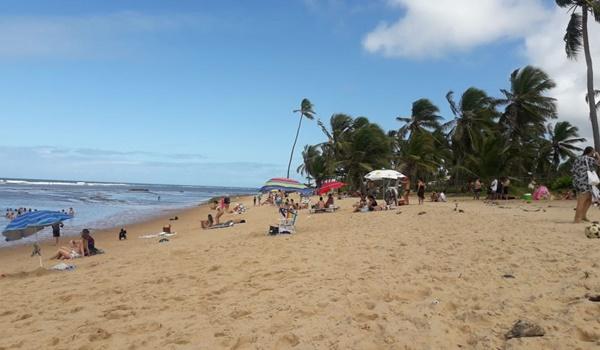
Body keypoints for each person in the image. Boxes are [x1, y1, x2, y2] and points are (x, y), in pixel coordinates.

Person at [572, 146, 600, 223]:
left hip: (578, 181)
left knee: (589, 199)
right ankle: (577, 219)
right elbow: (599, 163)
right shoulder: (589, 159)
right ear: (591, 152)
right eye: (593, 152)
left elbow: (573, 169)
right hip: (585, 182)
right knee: (582, 200)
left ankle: (583, 216)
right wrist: (597, 155)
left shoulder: (577, 158)